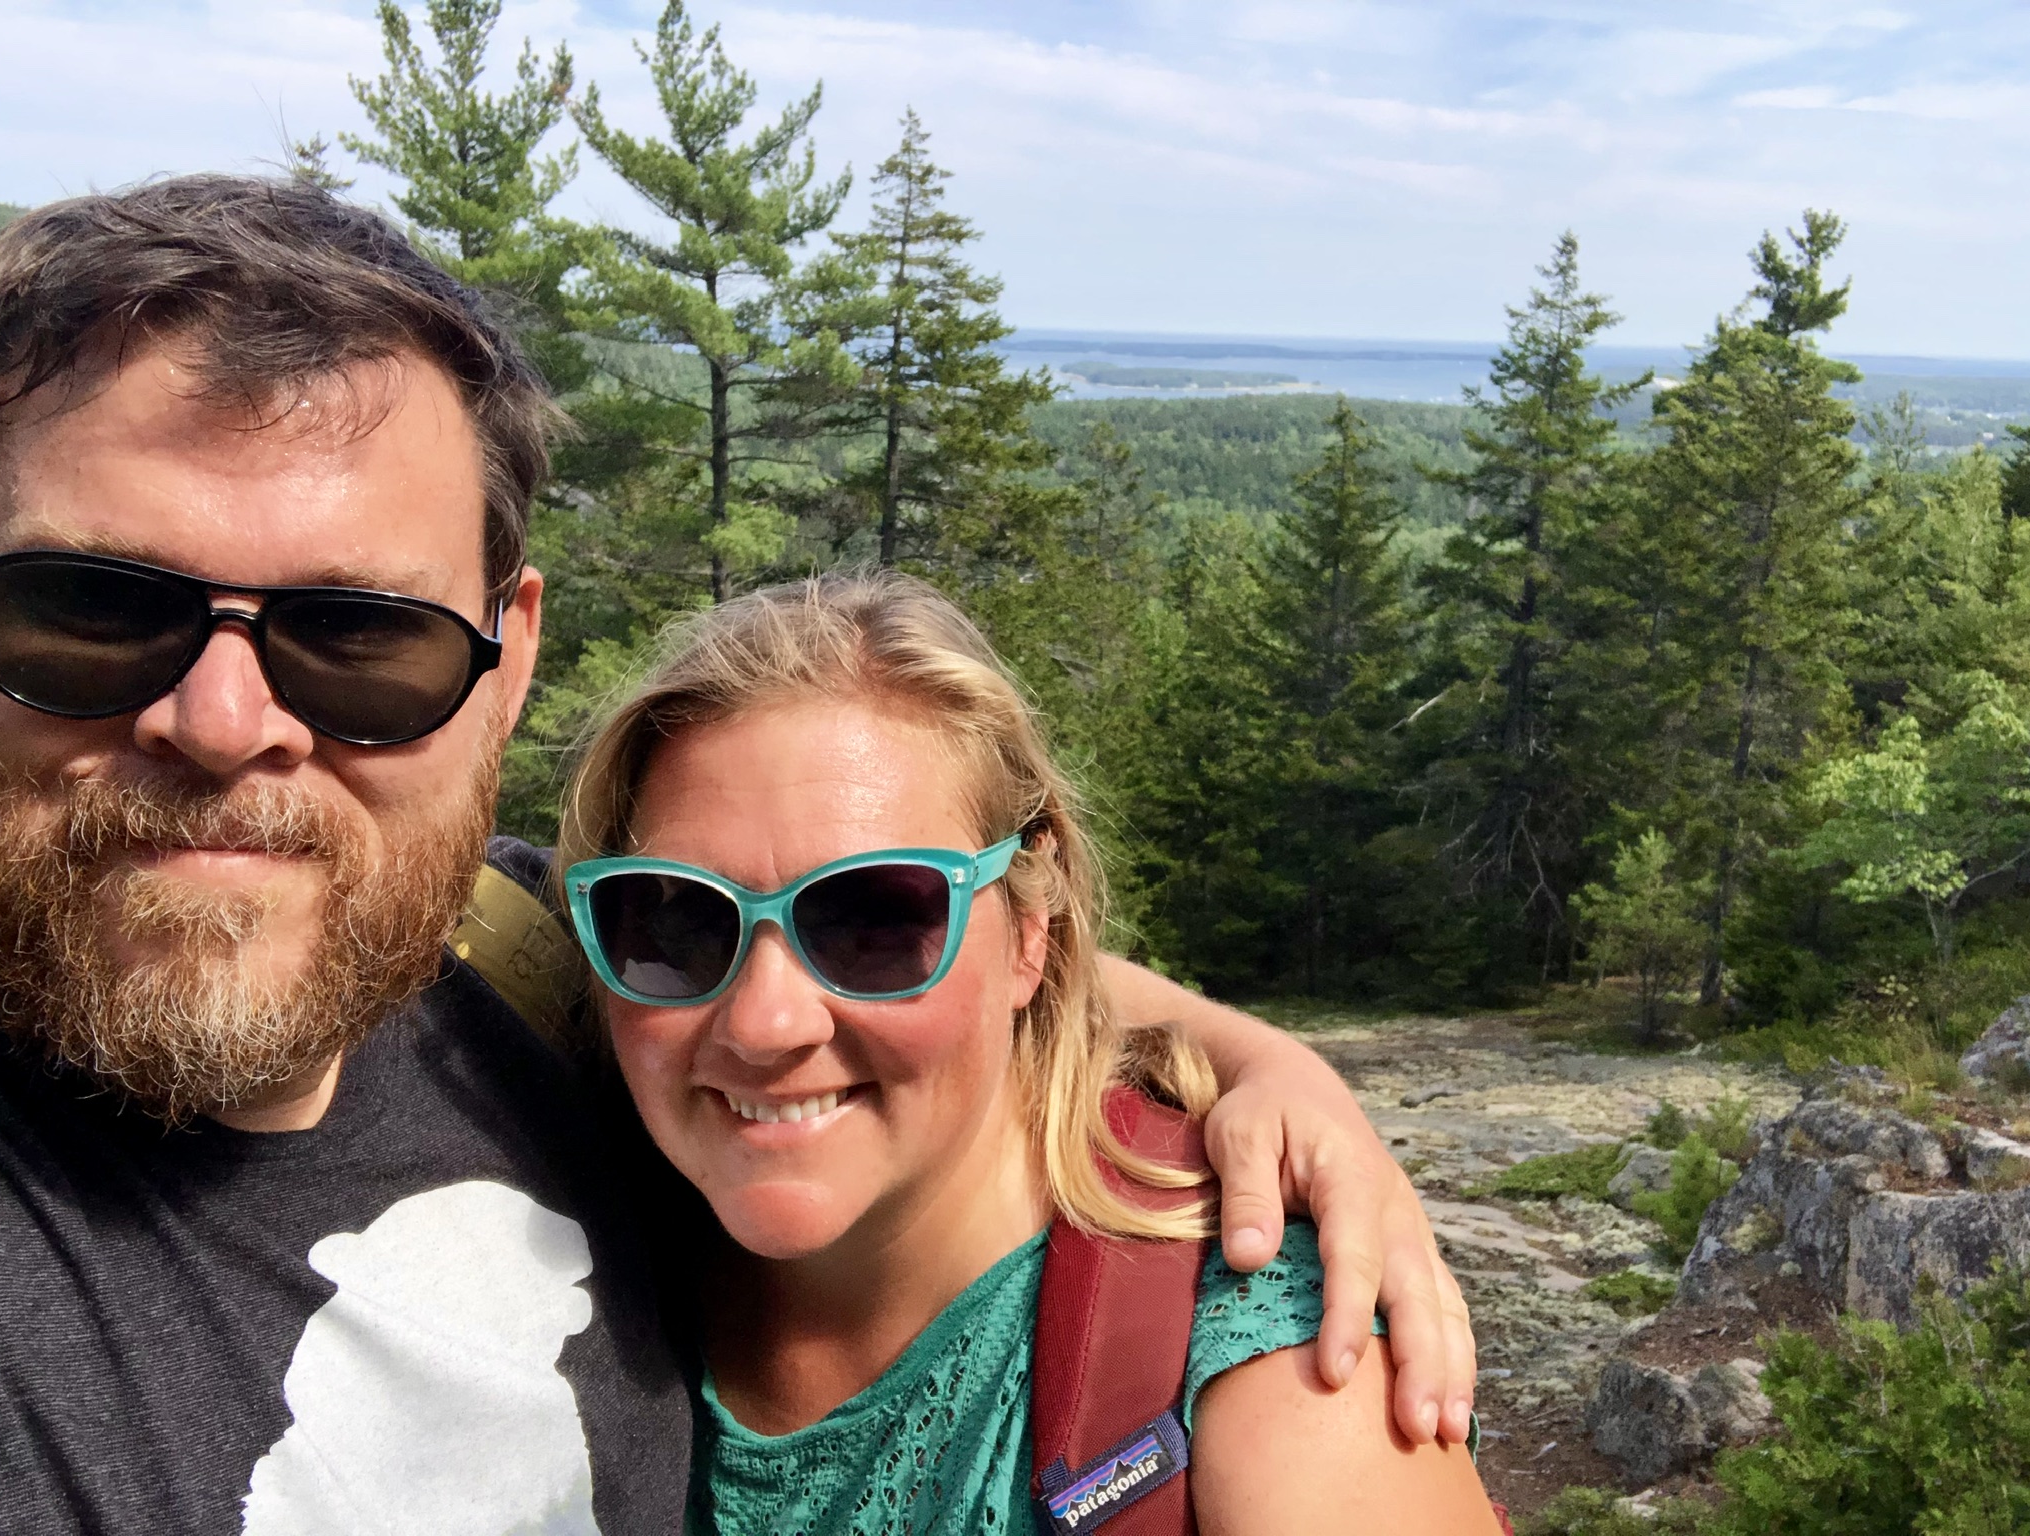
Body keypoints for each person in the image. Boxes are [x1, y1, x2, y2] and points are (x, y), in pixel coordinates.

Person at [0, 175, 1473, 1536]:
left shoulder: (500, 961)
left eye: (360, 637)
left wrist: (1273, 1072)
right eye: (86, 612)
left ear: (509, 664)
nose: (224, 721)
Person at [557, 572, 1505, 1534]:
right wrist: (1269, 1057)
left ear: (1028, 929)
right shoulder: (557, 1212)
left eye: (875, 920)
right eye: (676, 922)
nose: (763, 1023)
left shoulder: (1268, 1360)